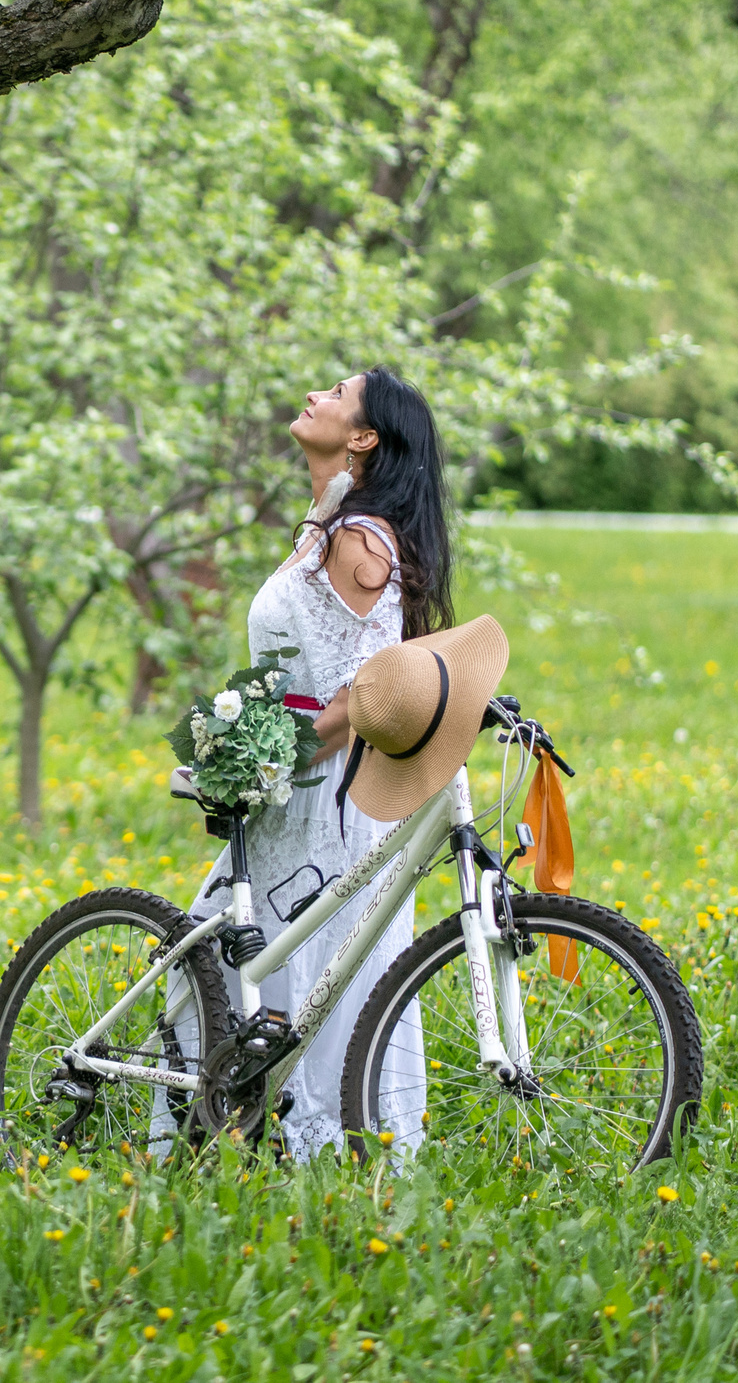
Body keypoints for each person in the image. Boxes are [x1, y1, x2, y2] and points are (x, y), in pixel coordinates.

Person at [171, 367, 459, 1162]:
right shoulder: (335, 520)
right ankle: (249, 1140)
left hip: (323, 795)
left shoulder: (360, 541)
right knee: (235, 962)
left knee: (312, 973)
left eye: (336, 393)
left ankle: (316, 1153)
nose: (314, 395)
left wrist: (263, 759)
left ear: (363, 437)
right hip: (303, 786)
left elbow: (359, 692)